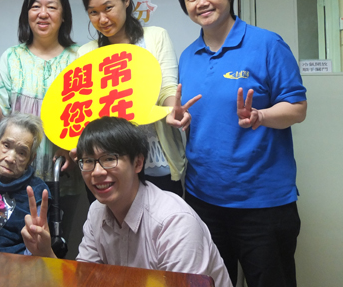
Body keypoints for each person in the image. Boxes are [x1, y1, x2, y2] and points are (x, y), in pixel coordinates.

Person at [171, 0, 307, 287]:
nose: (201, 3)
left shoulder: (266, 44)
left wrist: (261, 115)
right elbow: (204, 118)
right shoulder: (188, 56)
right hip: (204, 201)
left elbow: (297, 107)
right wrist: (184, 120)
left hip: (262, 203)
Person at [21, 116, 232, 287]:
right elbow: (84, 280)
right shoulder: (97, 212)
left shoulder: (174, 223)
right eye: (88, 161)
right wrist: (45, 253)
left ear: (138, 162)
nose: (97, 172)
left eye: (109, 159)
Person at [0, 0, 83, 244]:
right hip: (14, 176)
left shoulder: (79, 57)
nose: (43, 13)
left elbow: (89, 116)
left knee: (54, 245)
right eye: (35, 6)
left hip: (62, 175)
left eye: (51, 7)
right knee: (9, 244)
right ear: (26, 13)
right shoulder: (12, 57)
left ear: (64, 14)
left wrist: (72, 144)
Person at [76, 0, 185, 195]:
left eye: (108, 8)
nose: (103, 19)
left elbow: (166, 88)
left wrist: (172, 108)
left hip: (156, 163)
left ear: (126, 0)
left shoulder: (155, 38)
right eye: (93, 12)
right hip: (106, 167)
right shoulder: (85, 54)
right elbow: (83, 108)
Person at [0, 113, 50, 254]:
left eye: (22, 153)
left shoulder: (37, 192)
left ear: (31, 159)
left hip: (14, 264)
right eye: (6, 145)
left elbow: (34, 247)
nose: (11, 158)